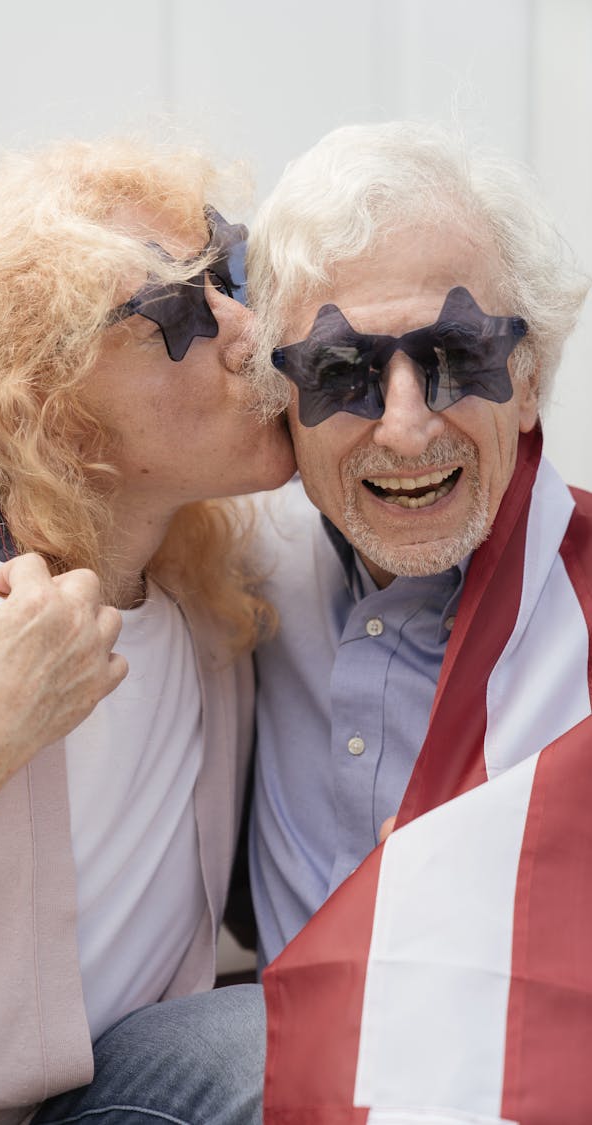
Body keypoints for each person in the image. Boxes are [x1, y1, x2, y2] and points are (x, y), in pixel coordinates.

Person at [0, 137, 295, 1124]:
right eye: (174, 311)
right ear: (43, 392)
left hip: (115, 1089)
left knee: (301, 1040)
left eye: (230, 274)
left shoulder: (216, 593)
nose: (249, 330)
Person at [243, 121, 592, 1120]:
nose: (404, 425)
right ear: (283, 403)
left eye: (454, 356)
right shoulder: (225, 578)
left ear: (528, 382)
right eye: (343, 372)